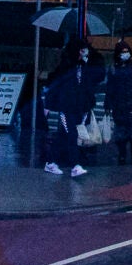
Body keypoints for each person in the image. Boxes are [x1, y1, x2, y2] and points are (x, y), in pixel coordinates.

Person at [42, 41, 98, 176]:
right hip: (67, 108)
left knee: (63, 135)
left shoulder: (82, 67)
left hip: (77, 107)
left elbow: (87, 86)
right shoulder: (67, 67)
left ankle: (50, 162)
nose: (85, 52)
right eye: (83, 50)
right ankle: (75, 165)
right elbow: (59, 85)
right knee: (71, 134)